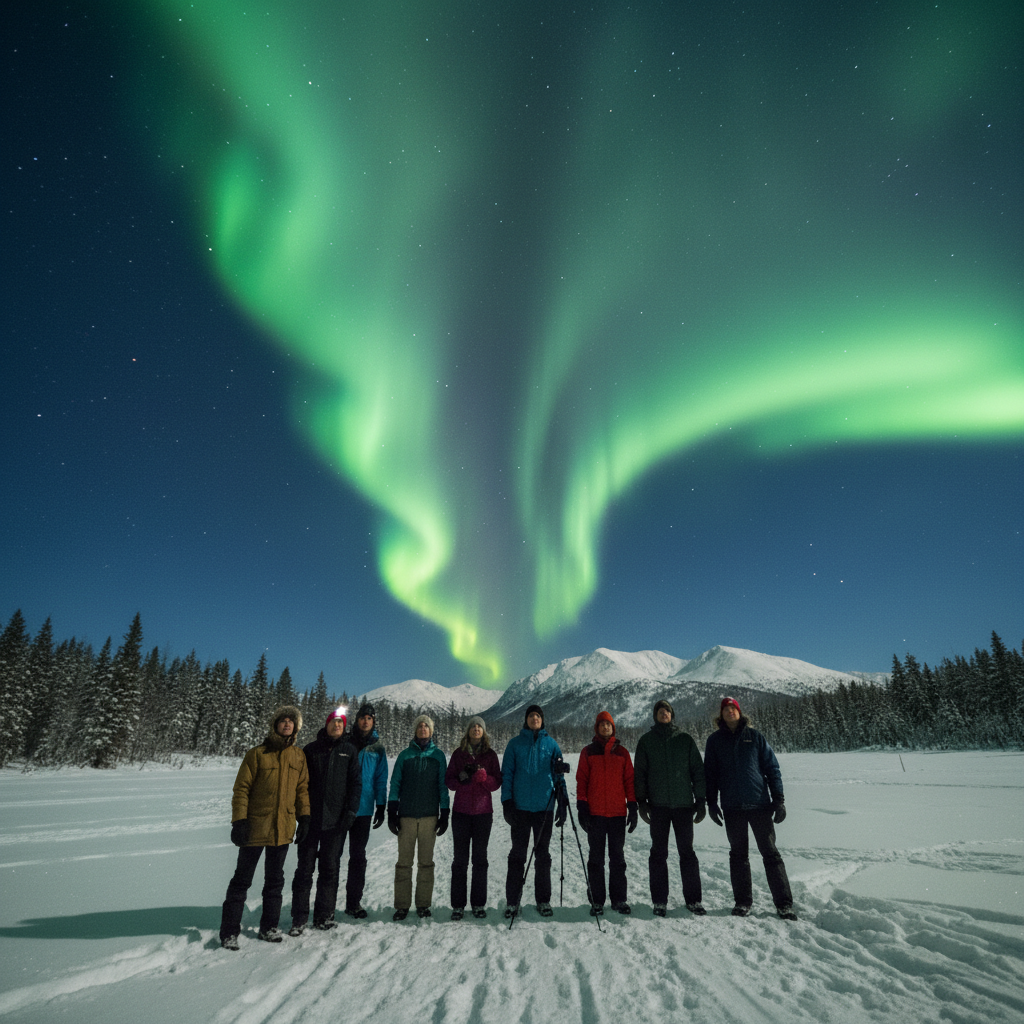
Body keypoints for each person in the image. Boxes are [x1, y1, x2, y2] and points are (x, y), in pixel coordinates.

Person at [219, 705, 310, 949]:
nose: (287, 724)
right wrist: (239, 820)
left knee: (275, 881)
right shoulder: (257, 754)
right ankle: (229, 932)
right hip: (255, 827)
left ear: (296, 727)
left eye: (292, 721)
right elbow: (242, 789)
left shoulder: (298, 757)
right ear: (275, 725)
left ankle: (268, 927)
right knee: (242, 880)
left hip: (283, 829)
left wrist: (305, 818)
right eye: (283, 720)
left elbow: (302, 790)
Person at [704, 697, 797, 920]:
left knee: (771, 854)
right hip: (732, 807)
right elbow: (710, 775)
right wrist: (712, 803)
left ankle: (784, 904)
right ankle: (743, 902)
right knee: (738, 856)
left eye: (732, 708)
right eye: (725, 709)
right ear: (721, 715)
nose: (729, 712)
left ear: (739, 711)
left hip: (759, 805)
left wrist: (779, 800)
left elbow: (772, 769)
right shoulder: (715, 741)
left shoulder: (755, 737)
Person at [288, 707, 361, 935]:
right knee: (304, 870)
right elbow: (300, 785)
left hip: (336, 822)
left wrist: (351, 812)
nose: (337, 726)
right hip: (310, 820)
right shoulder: (310, 750)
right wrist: (301, 815)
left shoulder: (349, 751)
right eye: (334, 722)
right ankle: (299, 918)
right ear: (327, 724)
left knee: (329, 869)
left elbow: (355, 784)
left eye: (341, 723)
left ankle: (324, 916)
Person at [633, 699, 707, 917]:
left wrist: (701, 801)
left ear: (672, 715)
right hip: (658, 807)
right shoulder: (646, 741)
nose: (664, 713)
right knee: (658, 854)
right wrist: (642, 802)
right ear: (655, 716)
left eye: (667, 711)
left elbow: (698, 772)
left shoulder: (685, 740)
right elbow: (640, 774)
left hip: (684, 806)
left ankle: (693, 900)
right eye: (660, 711)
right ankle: (659, 901)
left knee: (688, 853)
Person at [501, 704, 567, 919]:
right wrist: (507, 802)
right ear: (526, 720)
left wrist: (563, 800)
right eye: (531, 716)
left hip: (544, 808)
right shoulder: (514, 744)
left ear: (543, 720)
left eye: (538, 716)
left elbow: (559, 776)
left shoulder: (551, 744)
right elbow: (507, 775)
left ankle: (543, 900)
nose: (535, 718)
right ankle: (512, 901)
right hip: (520, 808)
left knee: (543, 856)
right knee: (517, 855)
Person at [576, 710, 638, 915]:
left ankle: (619, 899)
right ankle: (597, 900)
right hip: (595, 814)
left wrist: (632, 806)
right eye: (601, 724)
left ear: (613, 728)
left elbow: (630, 781)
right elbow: (581, 780)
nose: (605, 727)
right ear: (597, 728)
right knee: (595, 859)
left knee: (617, 859)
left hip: (618, 814)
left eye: (608, 725)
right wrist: (582, 806)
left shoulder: (623, 753)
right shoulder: (588, 752)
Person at [387, 714, 449, 919]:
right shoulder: (405, 755)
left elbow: (442, 786)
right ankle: (402, 905)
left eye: (426, 726)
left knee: (426, 863)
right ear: (415, 731)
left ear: (431, 731)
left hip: (430, 816)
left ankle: (423, 904)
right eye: (420, 726)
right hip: (406, 816)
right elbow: (395, 783)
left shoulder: (438, 756)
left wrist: (445, 812)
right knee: (404, 863)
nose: (423, 728)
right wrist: (392, 811)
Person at [445, 716, 502, 920]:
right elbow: (449, 780)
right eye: (473, 726)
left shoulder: (490, 755)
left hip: (483, 813)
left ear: (483, 732)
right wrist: (462, 779)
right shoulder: (459, 754)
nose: (476, 729)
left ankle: (478, 904)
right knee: (460, 860)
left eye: (479, 726)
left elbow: (497, 783)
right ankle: (458, 905)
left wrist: (485, 779)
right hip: (460, 813)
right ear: (468, 731)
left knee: (480, 859)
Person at [344, 702, 388, 918]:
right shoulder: (345, 742)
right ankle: (325, 907)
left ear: (373, 722)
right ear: (357, 720)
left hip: (363, 810)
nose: (365, 721)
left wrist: (381, 805)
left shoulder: (377, 748)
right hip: (341, 809)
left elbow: (381, 779)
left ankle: (353, 903)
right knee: (330, 859)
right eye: (362, 717)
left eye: (369, 718)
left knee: (358, 857)